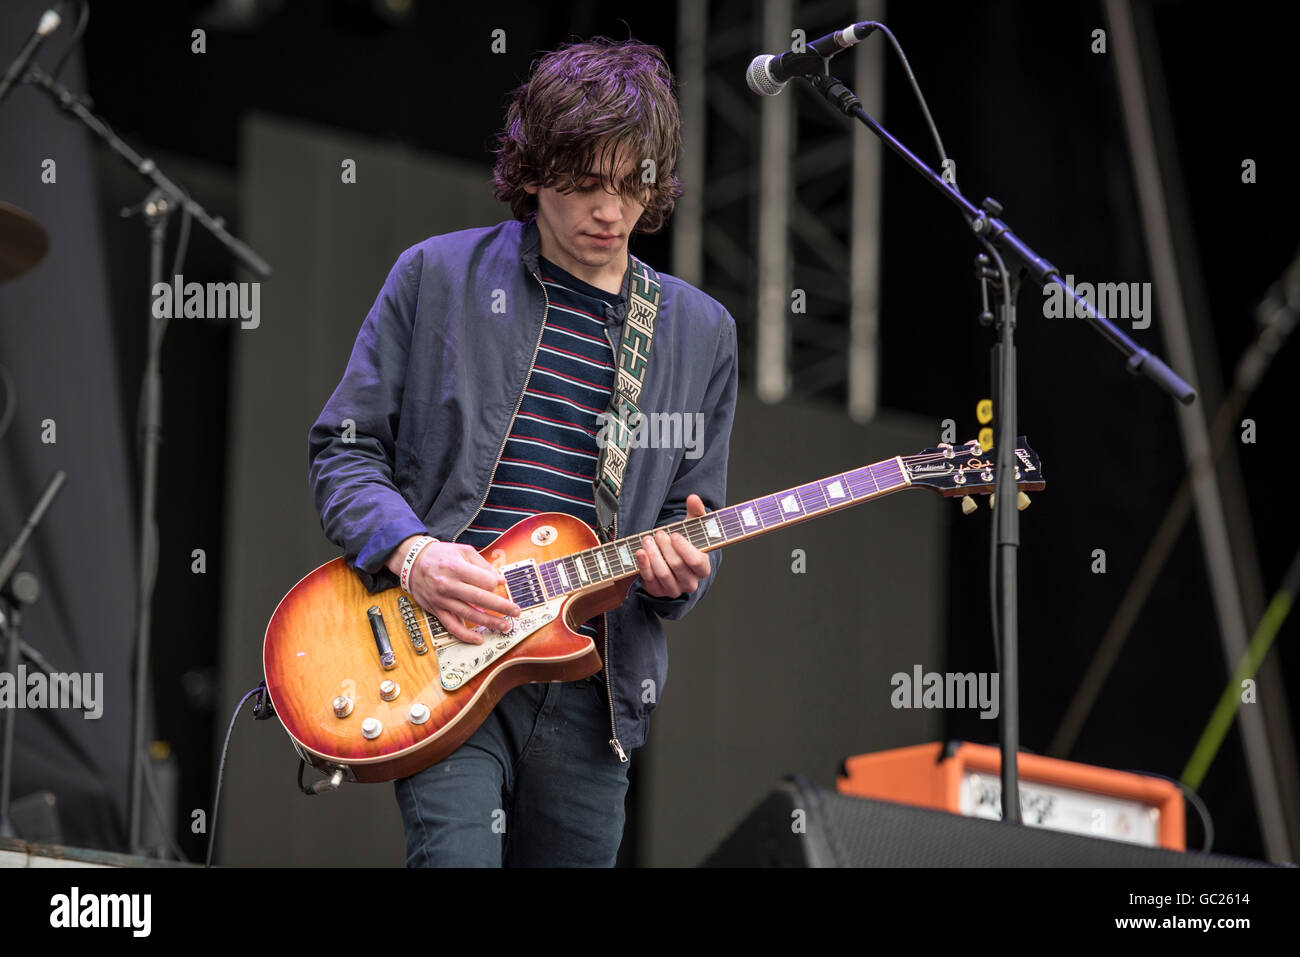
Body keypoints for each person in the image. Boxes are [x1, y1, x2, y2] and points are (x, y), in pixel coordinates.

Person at [307, 37, 738, 867]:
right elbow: (344, 451)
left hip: (592, 693)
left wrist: (684, 570)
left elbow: (692, 522)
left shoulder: (699, 332)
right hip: (444, 655)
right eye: (585, 183)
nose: (610, 211)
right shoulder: (435, 276)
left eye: (631, 184)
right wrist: (416, 550)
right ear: (534, 169)